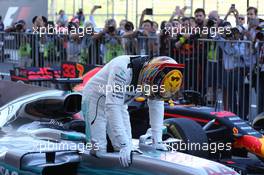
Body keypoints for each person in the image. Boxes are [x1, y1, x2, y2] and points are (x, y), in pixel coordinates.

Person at [82, 55, 184, 167]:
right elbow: (112, 107)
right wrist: (123, 143)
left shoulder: (156, 78)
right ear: (149, 77)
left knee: (126, 148)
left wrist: (157, 140)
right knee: (98, 149)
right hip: (96, 98)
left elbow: (156, 104)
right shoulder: (122, 68)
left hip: (119, 103)